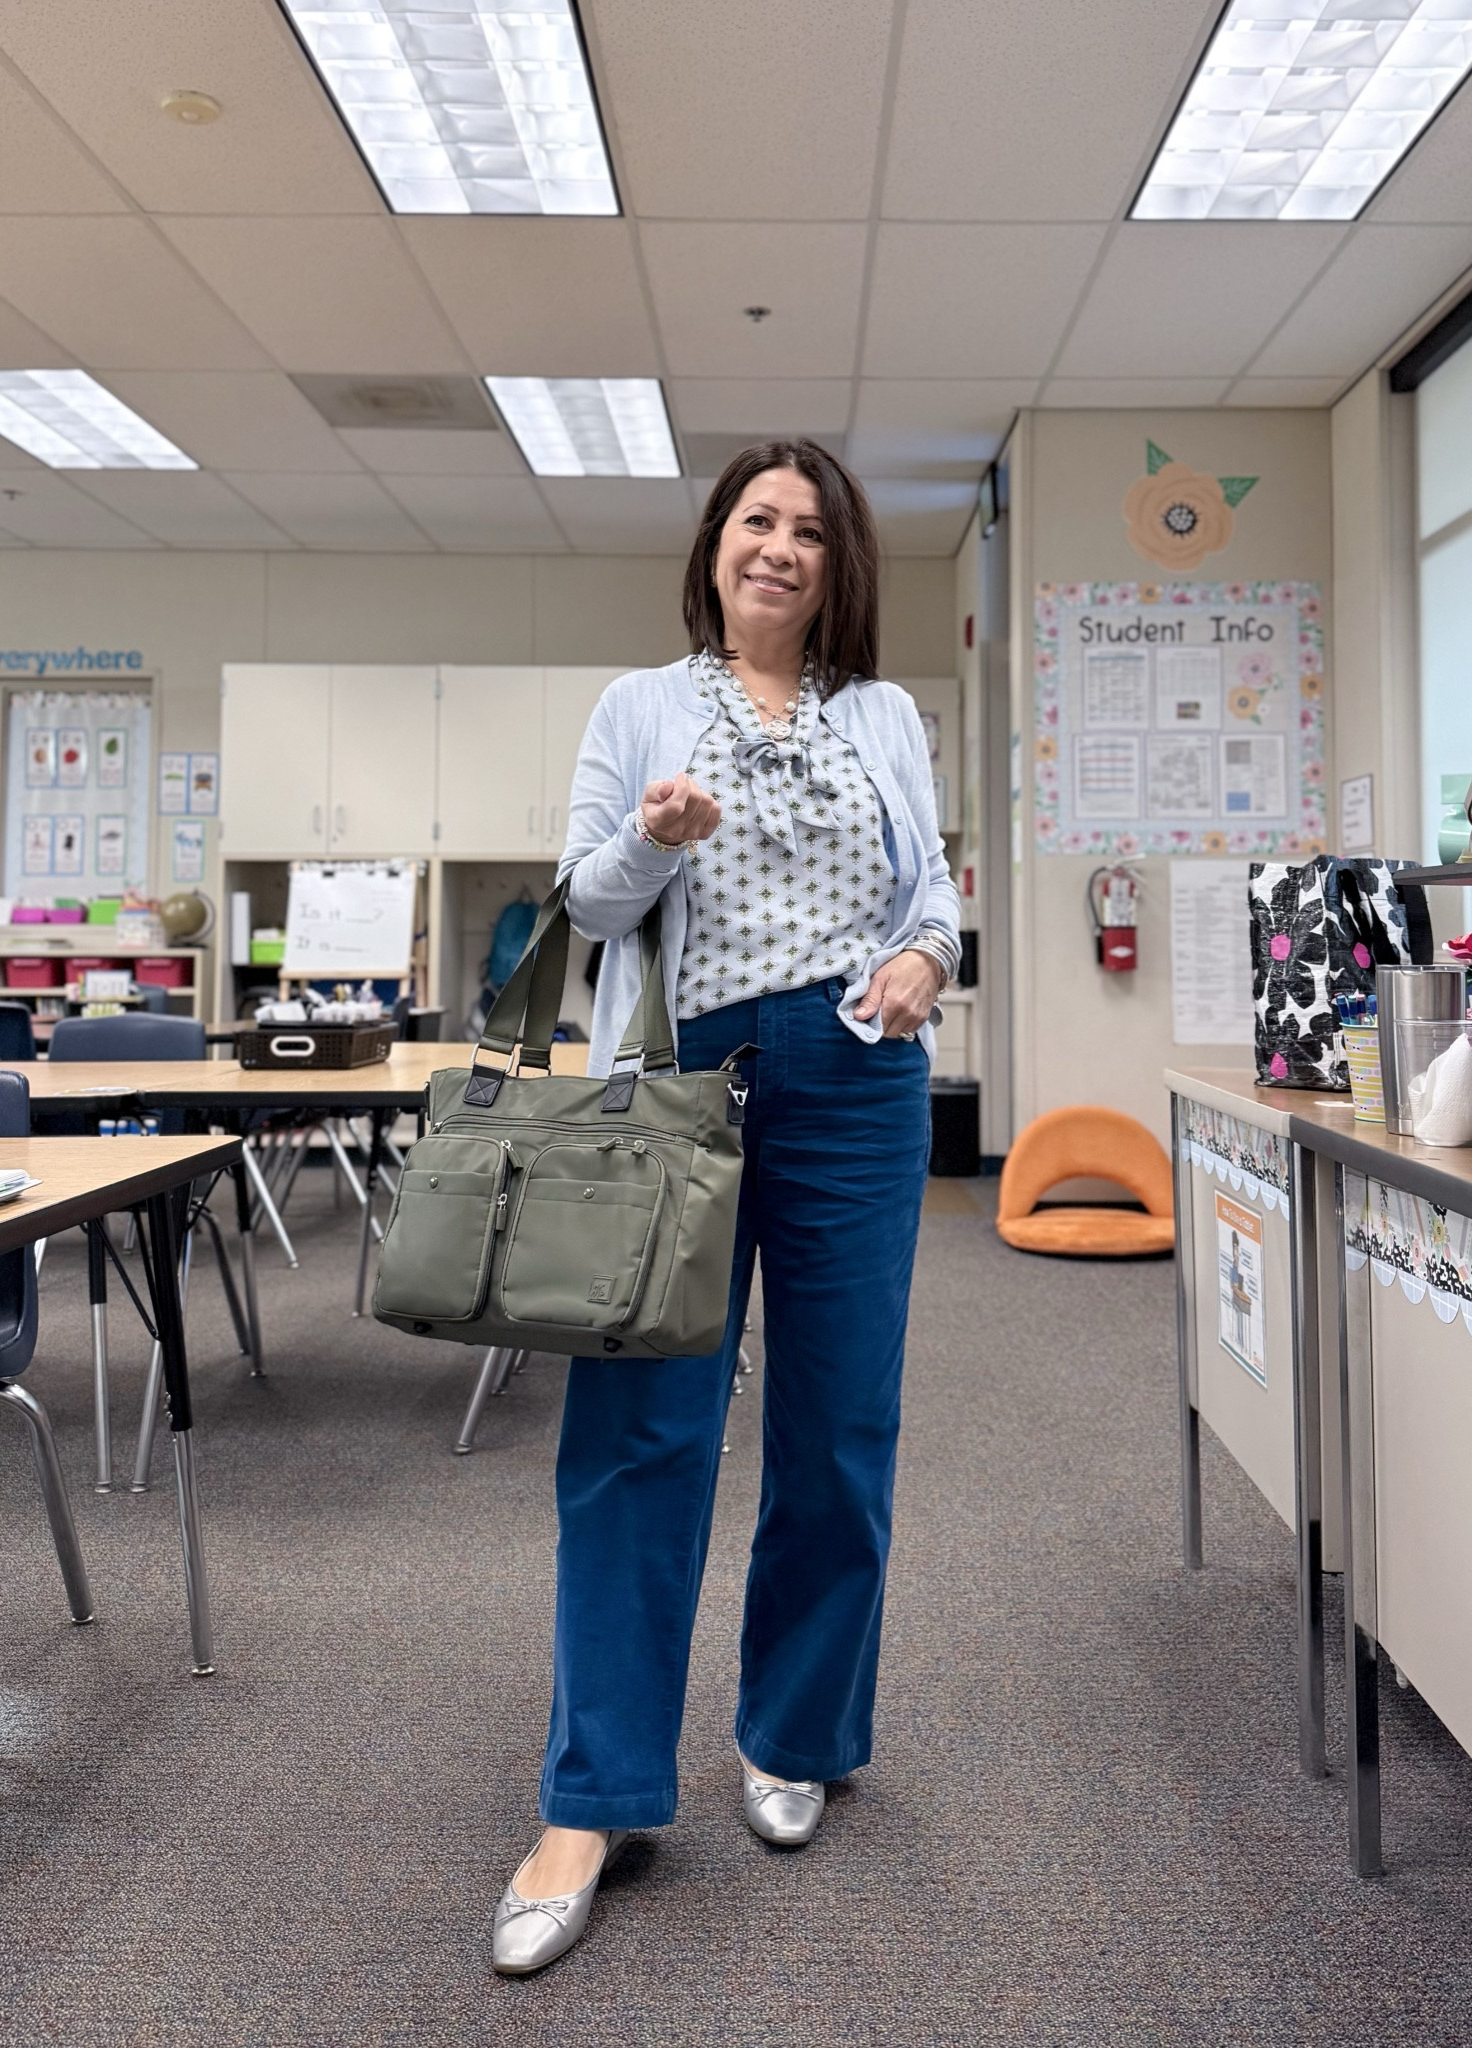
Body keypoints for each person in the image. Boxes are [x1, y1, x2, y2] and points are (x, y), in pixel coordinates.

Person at [491, 439, 961, 1974]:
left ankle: (795, 1735)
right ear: (712, 547)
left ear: (838, 569)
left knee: (837, 1429)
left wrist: (922, 964)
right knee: (638, 1434)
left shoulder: (880, 715)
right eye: (756, 521)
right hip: (677, 1080)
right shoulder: (638, 708)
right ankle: (594, 1796)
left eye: (810, 532)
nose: (779, 547)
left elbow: (930, 894)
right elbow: (586, 902)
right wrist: (653, 834)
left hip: (855, 1078)